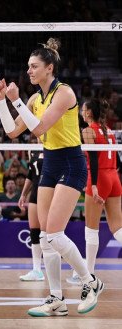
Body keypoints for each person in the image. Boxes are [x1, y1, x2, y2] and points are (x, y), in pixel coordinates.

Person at [0, 37, 103, 317]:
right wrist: (1, 102)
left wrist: (15, 99)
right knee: (45, 236)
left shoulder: (64, 93)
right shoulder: (34, 98)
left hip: (71, 162)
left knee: (55, 233)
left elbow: (39, 129)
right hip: (50, 164)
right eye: (28, 67)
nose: (29, 71)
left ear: (49, 68)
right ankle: (56, 298)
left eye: (34, 66)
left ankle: (91, 281)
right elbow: (12, 132)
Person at [67, 99, 122, 284]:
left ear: (89, 112)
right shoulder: (110, 132)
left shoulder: (88, 130)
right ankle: (87, 272)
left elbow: (93, 159)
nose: (82, 113)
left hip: (98, 178)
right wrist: (110, 177)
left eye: (83, 110)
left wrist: (96, 185)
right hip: (114, 177)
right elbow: (119, 162)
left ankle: (88, 275)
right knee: (117, 228)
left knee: (91, 229)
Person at [18, 149, 45, 281]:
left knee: (52, 234)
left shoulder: (55, 147)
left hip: (49, 192)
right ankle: (37, 270)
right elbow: (30, 175)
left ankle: (79, 266)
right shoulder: (33, 151)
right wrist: (23, 194)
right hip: (35, 193)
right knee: (34, 232)